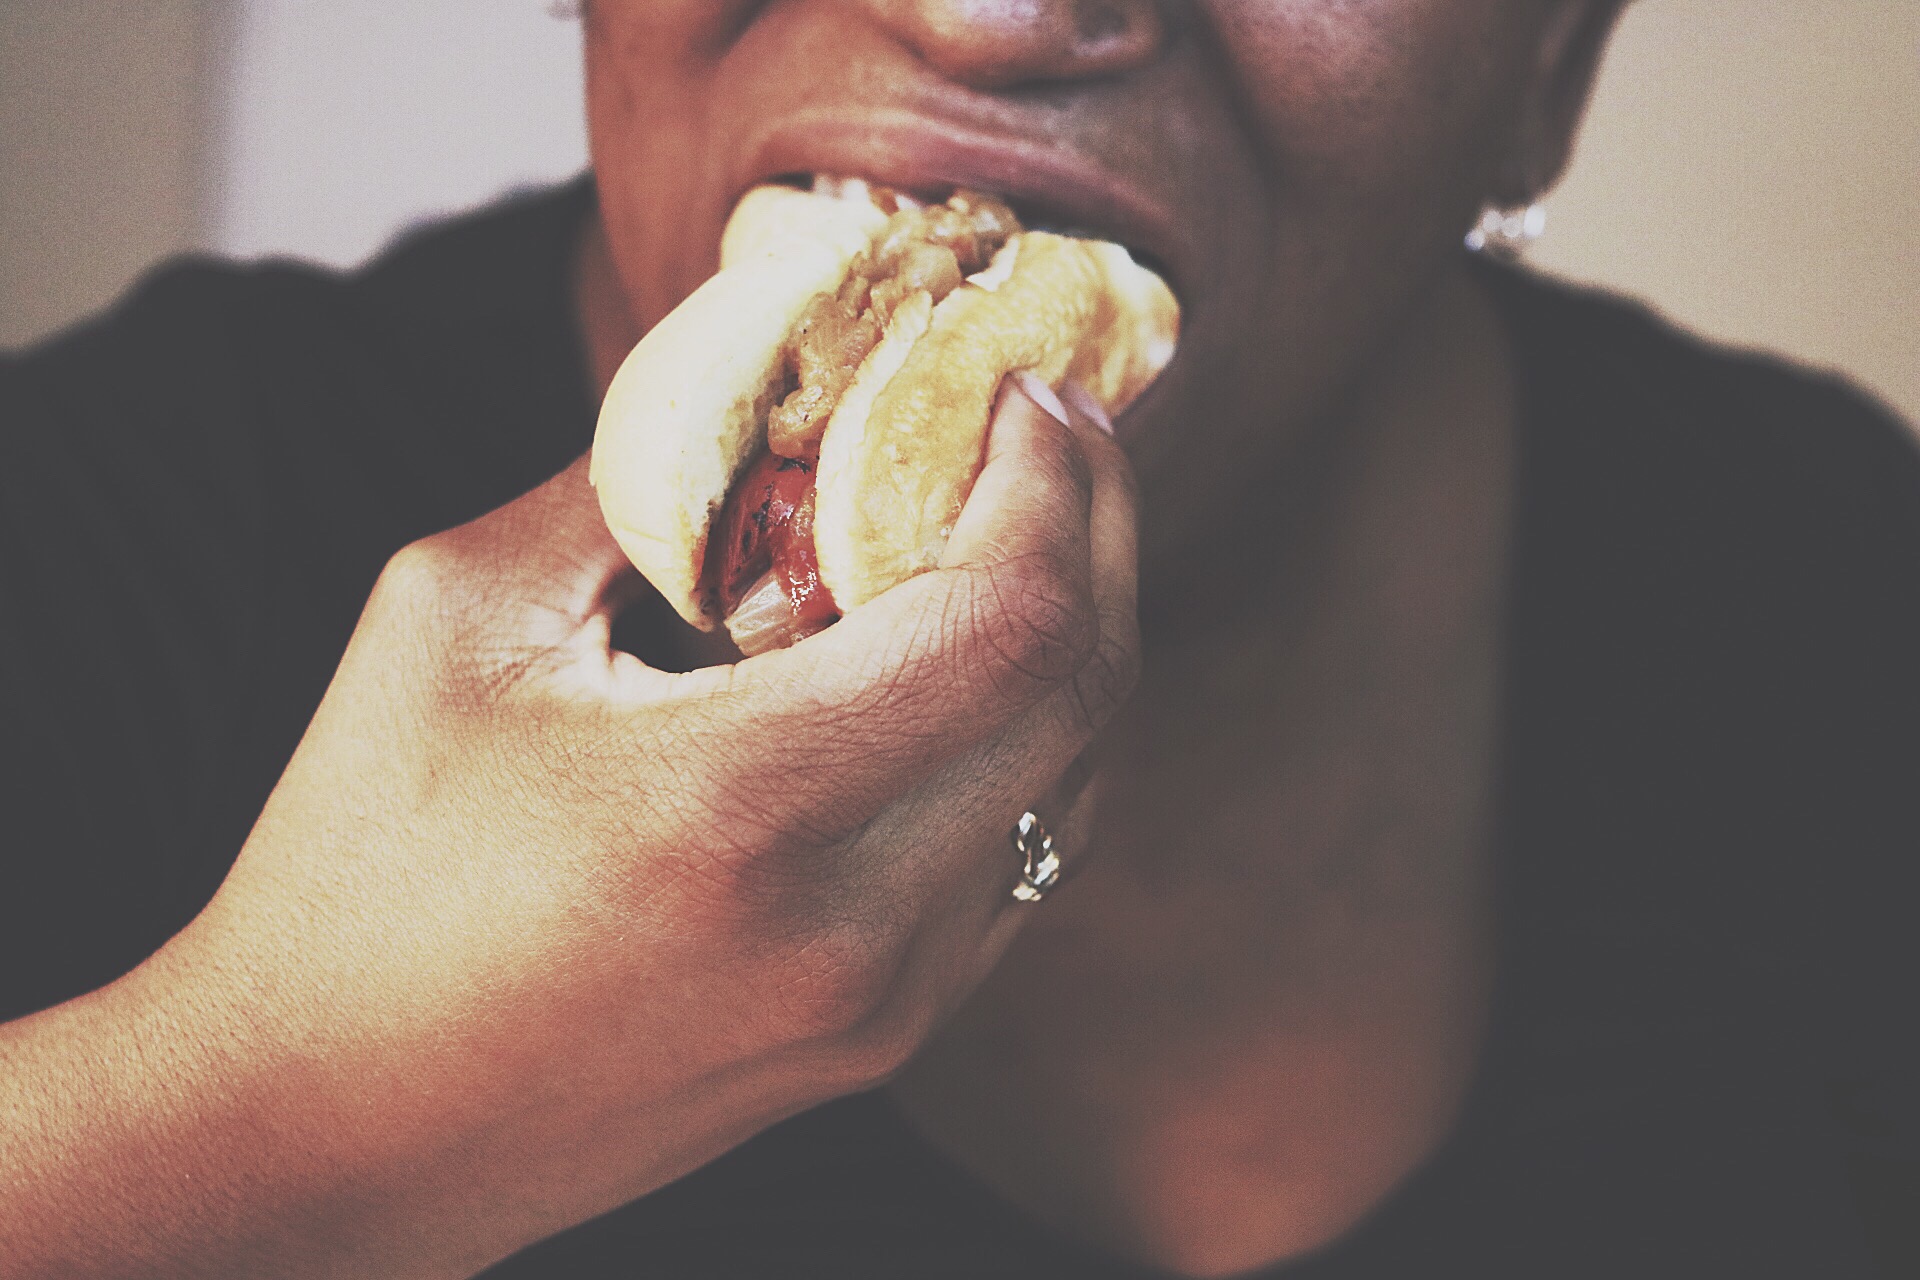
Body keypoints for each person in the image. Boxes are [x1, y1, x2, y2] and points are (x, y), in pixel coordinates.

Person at [0, 2, 1913, 1276]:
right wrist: (290, 1113)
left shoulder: (1856, 619)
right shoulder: (104, 537)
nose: (992, 10)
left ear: (1549, 63)